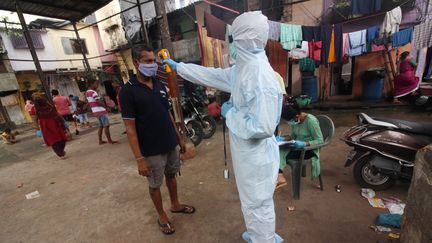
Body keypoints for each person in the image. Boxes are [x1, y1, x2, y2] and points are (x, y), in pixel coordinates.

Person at [163, 11, 284, 243]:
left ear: (243, 40)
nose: (232, 44)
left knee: (258, 201)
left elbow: (264, 126)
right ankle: (259, 233)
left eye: (234, 39)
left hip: (256, 155)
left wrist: (231, 114)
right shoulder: (244, 68)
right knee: (251, 199)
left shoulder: (261, 77)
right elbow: (214, 76)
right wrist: (181, 68)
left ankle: (264, 239)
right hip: (247, 154)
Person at [119, 45, 193, 235]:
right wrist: (139, 159)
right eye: (148, 61)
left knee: (172, 175)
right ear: (136, 63)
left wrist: (179, 138)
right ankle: (161, 215)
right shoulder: (127, 92)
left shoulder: (159, 84)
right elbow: (130, 128)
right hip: (151, 149)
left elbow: (168, 113)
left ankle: (175, 205)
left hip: (170, 142)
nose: (153, 65)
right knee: (155, 184)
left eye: (154, 61)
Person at [277, 103, 323, 188]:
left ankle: (279, 176)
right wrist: (282, 139)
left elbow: (320, 140)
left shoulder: (311, 121)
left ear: (297, 116)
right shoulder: (296, 121)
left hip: (308, 150)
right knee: (277, 149)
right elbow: (293, 136)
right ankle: (279, 175)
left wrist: (305, 144)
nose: (289, 123)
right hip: (297, 147)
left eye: (289, 120)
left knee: (279, 153)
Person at [32, 93, 68, 158]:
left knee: (53, 140)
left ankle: (60, 153)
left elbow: (35, 118)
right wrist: (63, 121)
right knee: (61, 138)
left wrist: (37, 128)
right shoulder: (46, 105)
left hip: (47, 124)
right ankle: (60, 152)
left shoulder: (39, 107)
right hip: (53, 122)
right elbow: (56, 113)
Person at [86, 79, 118, 145]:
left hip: (95, 111)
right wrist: (106, 107)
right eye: (96, 84)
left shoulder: (87, 92)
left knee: (101, 126)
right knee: (106, 126)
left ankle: (100, 141)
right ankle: (110, 141)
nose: (97, 85)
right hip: (100, 110)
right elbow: (98, 101)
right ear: (92, 84)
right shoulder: (93, 92)